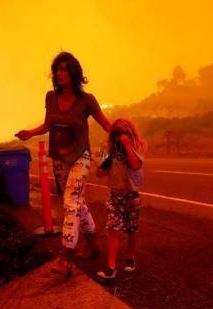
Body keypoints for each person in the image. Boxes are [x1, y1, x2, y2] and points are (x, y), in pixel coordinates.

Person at [15, 52, 111, 276]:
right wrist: (30, 133)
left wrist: (111, 153)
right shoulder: (50, 97)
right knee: (78, 202)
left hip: (81, 157)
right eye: (57, 69)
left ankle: (66, 254)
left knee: (70, 200)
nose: (59, 73)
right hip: (60, 160)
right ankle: (93, 244)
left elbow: (108, 127)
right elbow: (48, 124)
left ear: (74, 73)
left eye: (65, 69)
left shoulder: (87, 100)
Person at [96, 118, 146, 281]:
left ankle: (130, 256)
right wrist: (103, 163)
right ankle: (111, 268)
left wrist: (127, 145)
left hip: (131, 195)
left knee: (132, 229)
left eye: (123, 134)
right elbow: (100, 173)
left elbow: (135, 165)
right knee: (113, 228)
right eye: (116, 135)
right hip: (115, 196)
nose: (120, 138)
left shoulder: (136, 147)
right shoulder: (111, 152)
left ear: (130, 133)